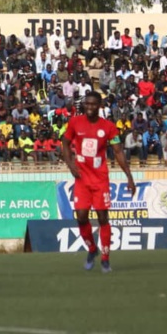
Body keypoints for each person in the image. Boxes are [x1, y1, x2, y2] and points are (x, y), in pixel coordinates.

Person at [61, 90, 136, 273]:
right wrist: (71, 164)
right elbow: (64, 143)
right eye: (87, 103)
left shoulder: (109, 127)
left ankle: (105, 258)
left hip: (100, 179)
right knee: (81, 216)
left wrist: (129, 176)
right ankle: (92, 249)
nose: (89, 107)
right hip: (81, 179)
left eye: (93, 104)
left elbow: (118, 152)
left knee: (103, 217)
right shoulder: (75, 122)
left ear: (99, 106)